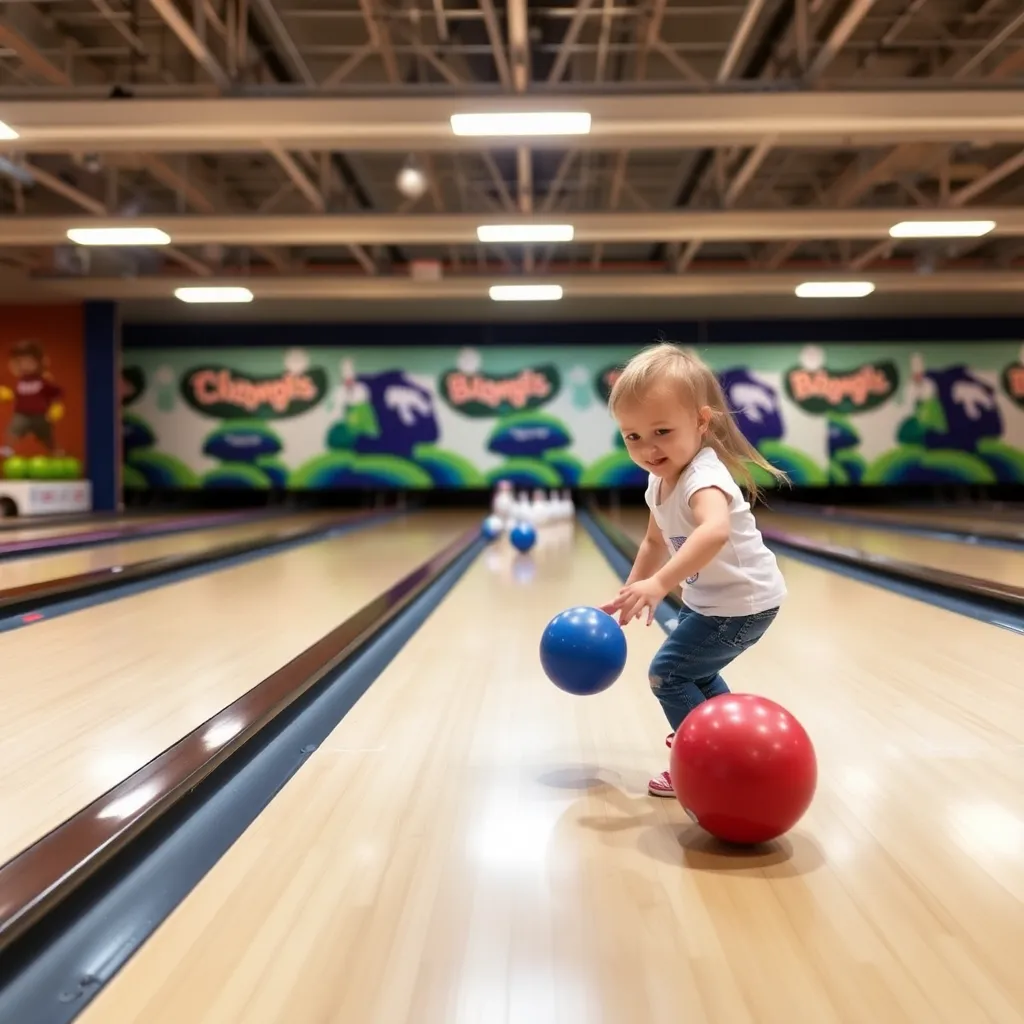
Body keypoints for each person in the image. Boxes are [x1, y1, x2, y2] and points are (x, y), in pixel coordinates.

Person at [600, 343, 788, 799]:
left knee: (668, 674)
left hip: (742, 604)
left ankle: (700, 762)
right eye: (633, 437)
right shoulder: (657, 480)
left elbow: (714, 533)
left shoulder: (704, 476)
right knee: (695, 674)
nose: (648, 448)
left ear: (702, 422)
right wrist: (632, 591)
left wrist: (661, 583)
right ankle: (736, 750)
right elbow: (652, 540)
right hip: (714, 604)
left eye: (662, 431)